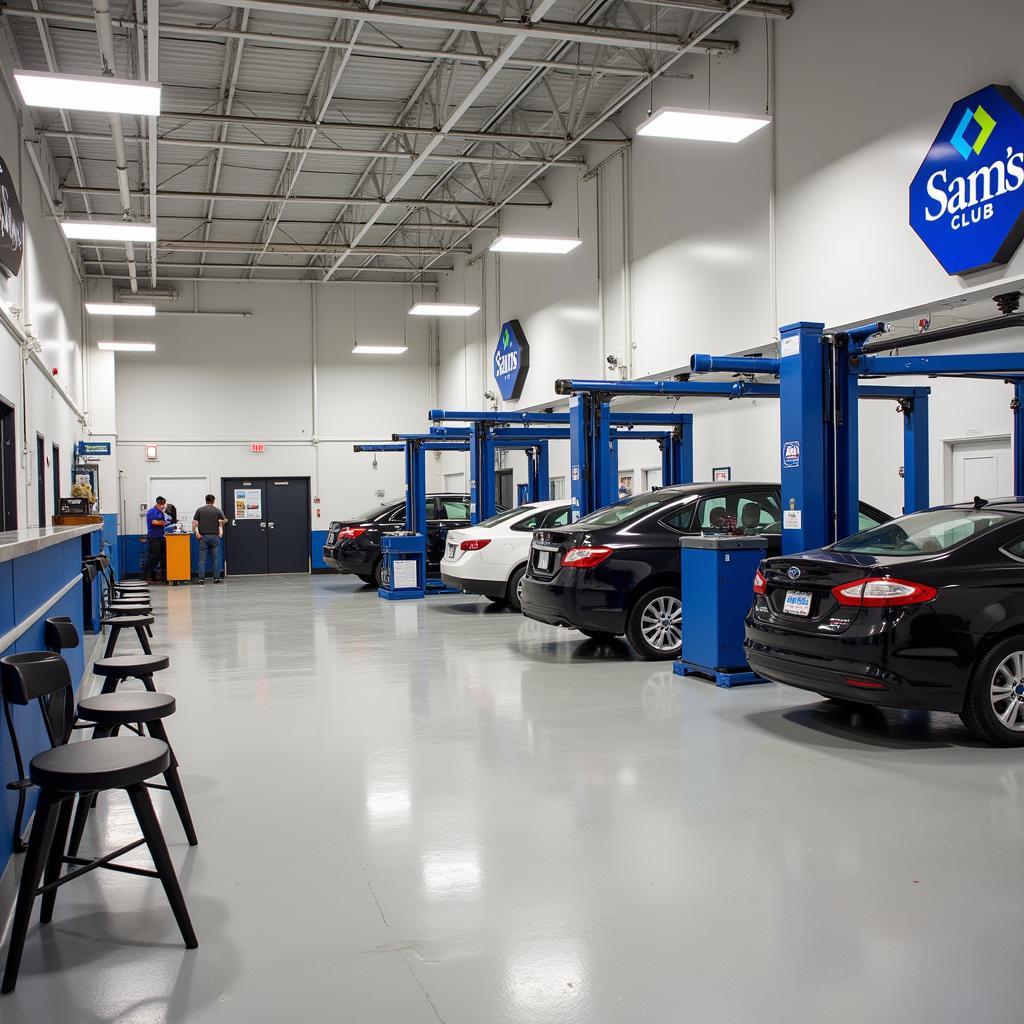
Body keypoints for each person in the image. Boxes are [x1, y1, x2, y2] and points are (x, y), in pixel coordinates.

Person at [192, 493, 227, 585]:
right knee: (216, 558)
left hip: (203, 537)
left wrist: (196, 533)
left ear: (206, 500)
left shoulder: (199, 510)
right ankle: (216, 578)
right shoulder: (217, 510)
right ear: (213, 501)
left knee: (202, 559)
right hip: (215, 537)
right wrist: (221, 523)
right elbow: (225, 520)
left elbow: (194, 523)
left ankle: (201, 579)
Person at [144, 496, 168, 582]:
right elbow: (154, 522)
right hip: (153, 537)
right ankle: (147, 575)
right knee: (154, 556)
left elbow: (162, 522)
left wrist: (164, 522)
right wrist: (163, 522)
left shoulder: (161, 512)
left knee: (163, 556)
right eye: (161, 504)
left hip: (161, 536)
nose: (162, 506)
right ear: (157, 504)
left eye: (163, 504)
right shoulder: (152, 511)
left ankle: (163, 575)